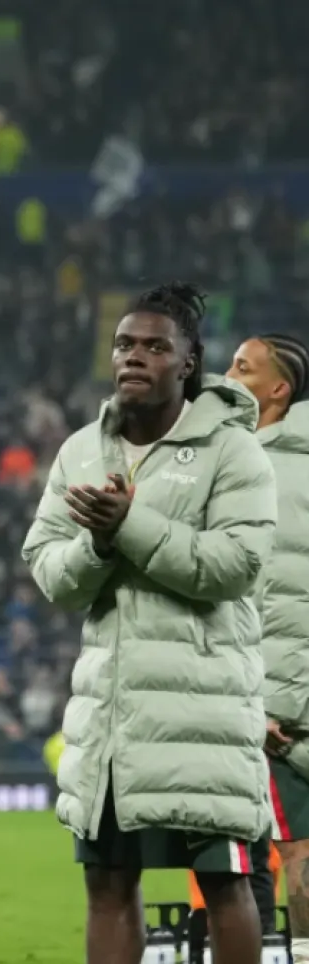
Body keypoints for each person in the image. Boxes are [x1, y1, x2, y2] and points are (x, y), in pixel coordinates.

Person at [22, 283, 278, 964]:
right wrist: (100, 544)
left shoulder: (233, 451)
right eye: (124, 344)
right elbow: (50, 572)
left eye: (155, 346)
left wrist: (129, 525)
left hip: (206, 711)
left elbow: (237, 566)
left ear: (188, 363)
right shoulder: (81, 451)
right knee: (108, 884)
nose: (134, 356)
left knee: (225, 883)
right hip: (112, 718)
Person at [228, 332, 309, 959]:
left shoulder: (257, 470)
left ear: (278, 390)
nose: (228, 377)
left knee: (290, 855)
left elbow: (278, 601)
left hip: (275, 710)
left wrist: (269, 703)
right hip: (271, 695)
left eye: (242, 368)